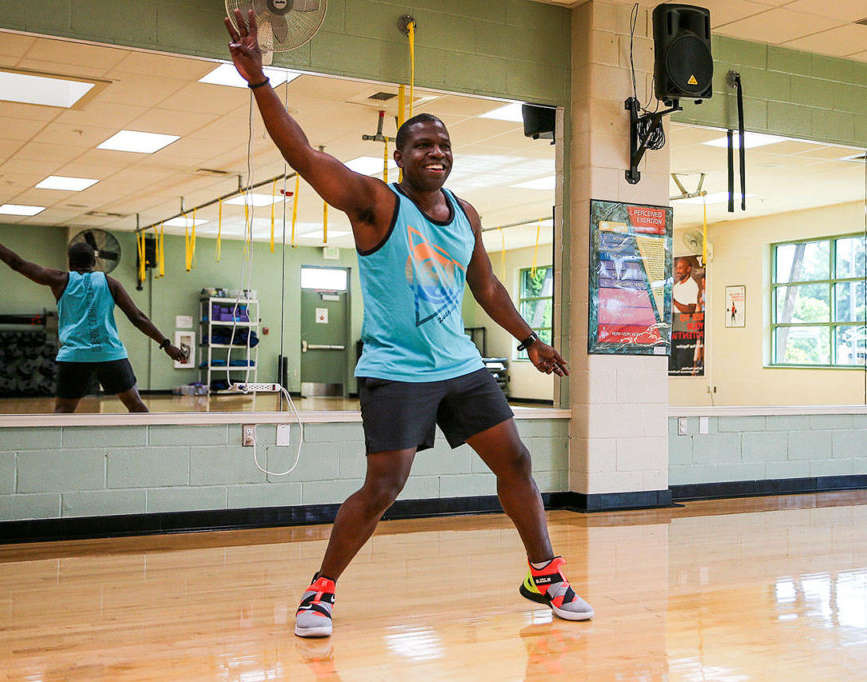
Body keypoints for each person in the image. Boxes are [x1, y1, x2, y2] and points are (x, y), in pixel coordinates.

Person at [224, 9, 593, 638]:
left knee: (518, 464)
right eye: (423, 144)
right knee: (384, 485)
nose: (437, 153)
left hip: (461, 368)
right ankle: (320, 591)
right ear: (399, 157)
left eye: (445, 145)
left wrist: (530, 340)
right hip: (397, 370)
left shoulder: (465, 213)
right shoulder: (375, 204)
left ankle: (544, 573)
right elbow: (304, 155)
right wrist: (260, 82)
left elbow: (486, 285)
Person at [0, 207, 186, 413]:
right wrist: (166, 344)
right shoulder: (110, 283)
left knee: (63, 412)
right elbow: (138, 317)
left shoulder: (59, 280)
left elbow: (16, 263)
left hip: (75, 356)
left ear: (70, 262)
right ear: (95, 261)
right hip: (109, 354)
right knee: (136, 406)